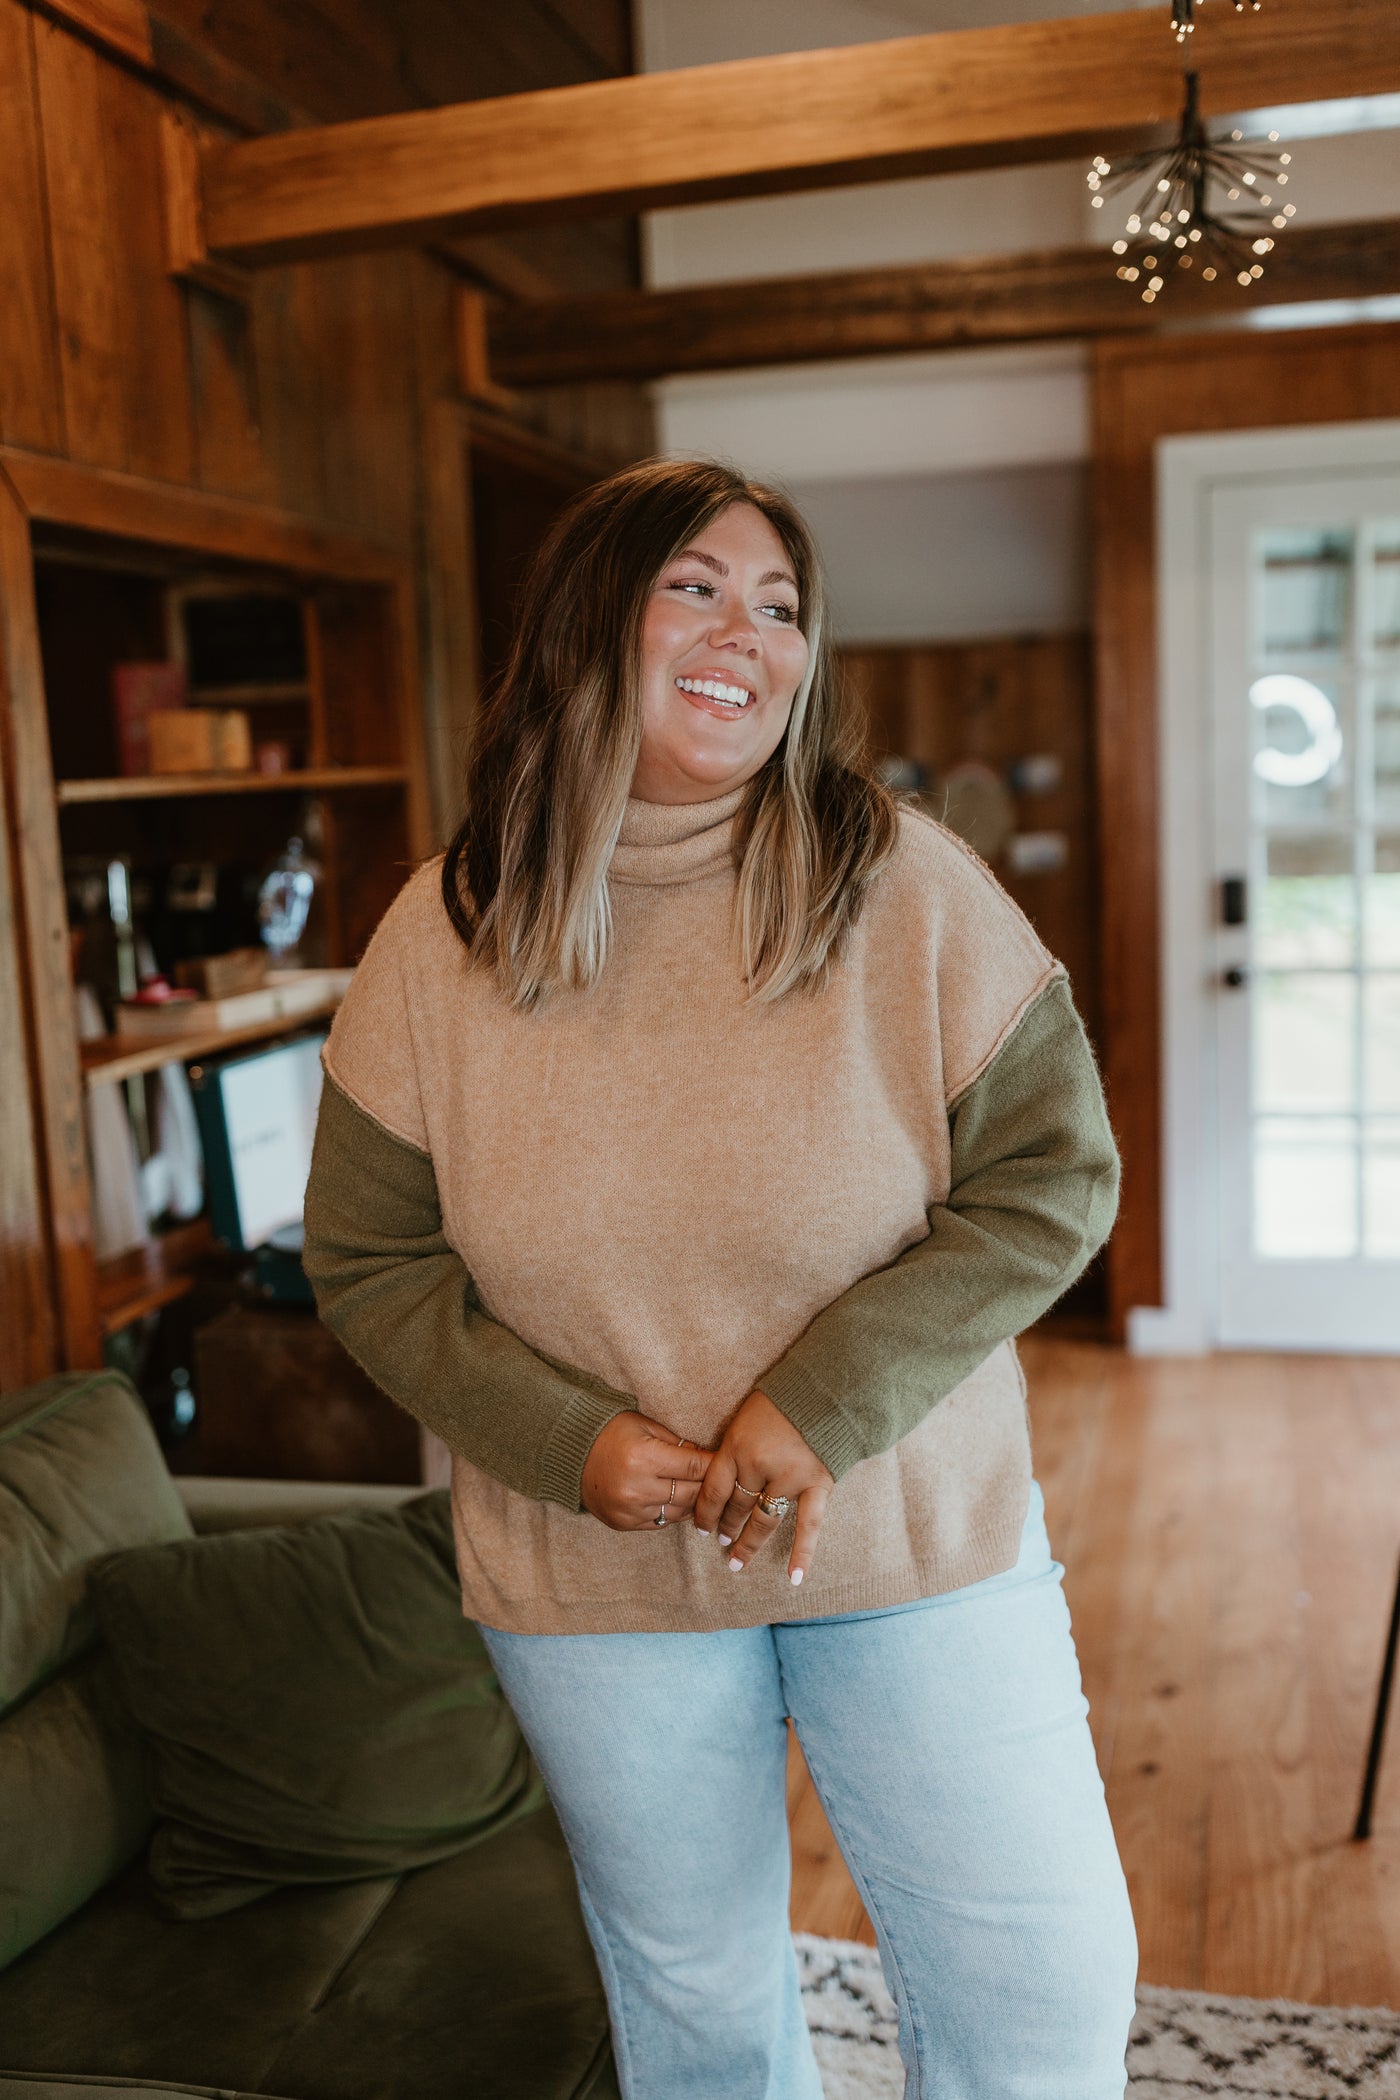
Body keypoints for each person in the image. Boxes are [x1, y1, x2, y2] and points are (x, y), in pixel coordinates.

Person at [302, 457, 1138, 2100]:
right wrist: (575, 1446)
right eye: (697, 585)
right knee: (690, 2002)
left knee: (1039, 1975)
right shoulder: (439, 934)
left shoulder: (902, 879)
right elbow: (371, 1258)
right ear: (588, 625)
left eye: (780, 605)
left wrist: (817, 1406)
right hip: (589, 1572)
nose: (746, 632)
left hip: (908, 1526)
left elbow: (1058, 1178)